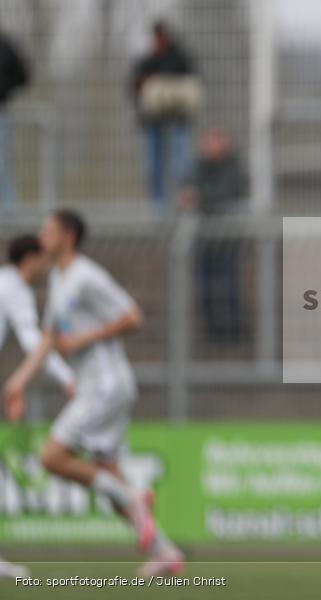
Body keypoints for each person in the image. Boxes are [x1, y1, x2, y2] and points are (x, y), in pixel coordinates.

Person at [2, 210, 184, 577]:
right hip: (98, 387)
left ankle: (132, 496)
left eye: (49, 230)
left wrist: (86, 338)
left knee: (52, 457)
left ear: (68, 237)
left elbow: (133, 317)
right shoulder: (59, 279)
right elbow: (50, 339)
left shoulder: (87, 276)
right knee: (107, 474)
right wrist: (18, 381)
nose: (42, 236)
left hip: (105, 386)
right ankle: (166, 553)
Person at [0, 234, 77, 581]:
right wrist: (66, 377)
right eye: (42, 258)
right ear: (30, 259)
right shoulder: (14, 287)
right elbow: (34, 340)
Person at [179, 128, 247, 341]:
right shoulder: (199, 165)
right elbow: (186, 190)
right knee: (205, 287)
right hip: (204, 240)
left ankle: (232, 329)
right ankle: (211, 331)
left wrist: (201, 199)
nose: (211, 146)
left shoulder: (233, 166)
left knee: (227, 285)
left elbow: (225, 193)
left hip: (226, 240)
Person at [130, 21, 198, 211]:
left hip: (178, 118)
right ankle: (157, 207)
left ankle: (183, 202)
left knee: (181, 164)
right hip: (153, 120)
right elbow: (135, 87)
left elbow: (190, 82)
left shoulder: (180, 58)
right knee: (154, 166)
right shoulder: (146, 60)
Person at [0, 28, 29, 214]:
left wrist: (3, 90)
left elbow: (23, 76)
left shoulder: (5, 46)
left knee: (2, 166)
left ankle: (9, 218)